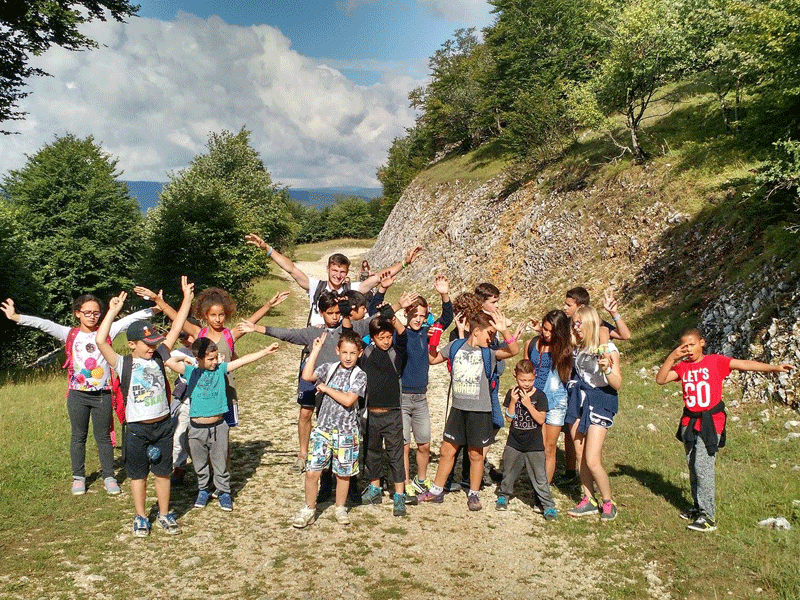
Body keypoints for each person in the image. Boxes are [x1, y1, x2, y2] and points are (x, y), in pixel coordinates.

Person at [1, 295, 157, 496]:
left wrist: (155, 309)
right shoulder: (69, 334)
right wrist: (15, 317)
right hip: (77, 395)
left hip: (102, 395)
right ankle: (78, 478)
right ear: (77, 314)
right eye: (87, 312)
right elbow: (44, 324)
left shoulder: (106, 330)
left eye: (96, 313)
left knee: (103, 438)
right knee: (78, 437)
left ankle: (109, 476)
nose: (92, 316)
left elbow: (130, 320)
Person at [655, 327, 793, 532]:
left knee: (703, 468)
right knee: (692, 466)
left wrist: (774, 368)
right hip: (689, 422)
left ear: (702, 342)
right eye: (684, 346)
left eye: (692, 344)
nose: (689, 349)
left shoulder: (715, 361)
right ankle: (698, 506)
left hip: (711, 422)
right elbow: (661, 379)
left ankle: (708, 517)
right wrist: (671, 357)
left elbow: (744, 364)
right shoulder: (683, 366)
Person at [95, 276, 194, 536]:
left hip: (162, 425)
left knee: (163, 473)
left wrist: (186, 300)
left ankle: (164, 514)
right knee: (138, 476)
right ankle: (140, 516)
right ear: (131, 344)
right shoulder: (122, 363)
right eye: (147, 344)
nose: (152, 348)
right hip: (137, 429)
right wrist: (112, 312)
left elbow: (176, 328)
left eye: (154, 343)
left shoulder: (161, 356)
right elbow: (100, 341)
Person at [237, 291, 371, 477]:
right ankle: (311, 462)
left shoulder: (349, 330)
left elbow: (375, 323)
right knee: (315, 421)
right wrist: (257, 328)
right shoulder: (312, 332)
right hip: (320, 390)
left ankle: (346, 473)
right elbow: (288, 334)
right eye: (330, 313)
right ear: (321, 312)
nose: (334, 317)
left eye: (337, 313)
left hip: (344, 394)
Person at [418, 310, 519, 511]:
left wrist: (504, 330)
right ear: (476, 331)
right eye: (489, 333)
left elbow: (513, 351)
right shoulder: (455, 346)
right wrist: (432, 342)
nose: (491, 338)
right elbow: (432, 359)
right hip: (458, 408)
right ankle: (437, 490)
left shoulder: (488, 352)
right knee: (447, 451)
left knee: (476, 455)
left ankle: (473, 494)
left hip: (480, 410)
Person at [165, 337, 279, 512]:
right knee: (199, 462)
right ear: (199, 359)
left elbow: (242, 361)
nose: (215, 361)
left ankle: (224, 491)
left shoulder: (220, 370)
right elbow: (169, 361)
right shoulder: (190, 372)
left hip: (219, 426)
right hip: (196, 428)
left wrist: (265, 352)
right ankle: (203, 489)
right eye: (210, 359)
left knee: (220, 461)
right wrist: (185, 359)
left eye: (216, 357)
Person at [245, 233, 421, 327]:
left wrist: (404, 263)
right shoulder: (315, 286)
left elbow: (377, 278)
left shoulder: (352, 289)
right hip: (316, 340)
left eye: (342, 271)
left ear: (347, 272)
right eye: (335, 270)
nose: (338, 275)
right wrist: (267, 249)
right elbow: (291, 269)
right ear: (327, 269)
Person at [293, 331, 367, 528]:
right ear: (337, 351)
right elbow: (307, 375)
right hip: (323, 430)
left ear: (359, 353)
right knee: (312, 472)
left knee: (343, 473)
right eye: (344, 352)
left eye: (352, 353)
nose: (348, 357)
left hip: (346, 432)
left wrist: (326, 389)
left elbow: (349, 400)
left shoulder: (360, 375)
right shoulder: (329, 368)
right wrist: (315, 351)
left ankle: (340, 507)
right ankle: (309, 509)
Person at [558, 285, 630, 485]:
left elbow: (624, 335)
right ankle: (572, 472)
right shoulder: (568, 324)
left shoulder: (595, 325)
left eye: (568, 304)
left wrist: (614, 314)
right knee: (572, 433)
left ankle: (585, 480)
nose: (565, 308)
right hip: (573, 383)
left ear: (580, 306)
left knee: (587, 446)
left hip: (592, 386)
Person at [348, 302, 411, 517]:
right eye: (381, 337)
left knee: (395, 455)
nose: (386, 341)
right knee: (372, 453)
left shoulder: (396, 354)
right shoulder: (364, 354)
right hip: (371, 414)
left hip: (392, 414)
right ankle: (375, 489)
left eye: (388, 337)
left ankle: (399, 495)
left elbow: (403, 337)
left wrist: (392, 317)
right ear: (372, 338)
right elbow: (350, 335)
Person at [565, 306, 621, 521]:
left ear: (590, 324)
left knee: (592, 459)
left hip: (600, 401)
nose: (576, 327)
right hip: (578, 399)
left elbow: (617, 384)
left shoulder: (607, 350)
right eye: (574, 323)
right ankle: (588, 499)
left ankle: (607, 501)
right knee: (579, 455)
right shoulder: (578, 347)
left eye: (580, 323)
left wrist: (607, 369)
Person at [399, 275, 453, 496]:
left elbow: (447, 317)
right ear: (406, 314)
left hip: (421, 397)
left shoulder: (428, 332)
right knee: (403, 445)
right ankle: (402, 482)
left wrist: (444, 294)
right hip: (402, 396)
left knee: (423, 444)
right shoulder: (400, 334)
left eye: (422, 315)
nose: (418, 319)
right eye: (414, 315)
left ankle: (421, 479)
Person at [496, 359, 557, 520]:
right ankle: (504, 495)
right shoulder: (512, 393)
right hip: (514, 442)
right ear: (515, 376)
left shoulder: (540, 396)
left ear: (535, 377)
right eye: (523, 380)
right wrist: (514, 402)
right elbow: (509, 419)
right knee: (508, 472)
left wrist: (529, 405)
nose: (526, 384)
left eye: (530, 380)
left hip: (534, 444)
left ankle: (547, 505)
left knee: (540, 477)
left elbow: (541, 420)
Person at [523, 310, 573, 483]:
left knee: (549, 447)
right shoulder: (532, 344)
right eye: (544, 328)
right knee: (535, 445)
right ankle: (535, 480)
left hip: (556, 401)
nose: (546, 333)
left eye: (552, 331)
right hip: (535, 400)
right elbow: (525, 370)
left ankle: (544, 488)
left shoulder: (565, 349)